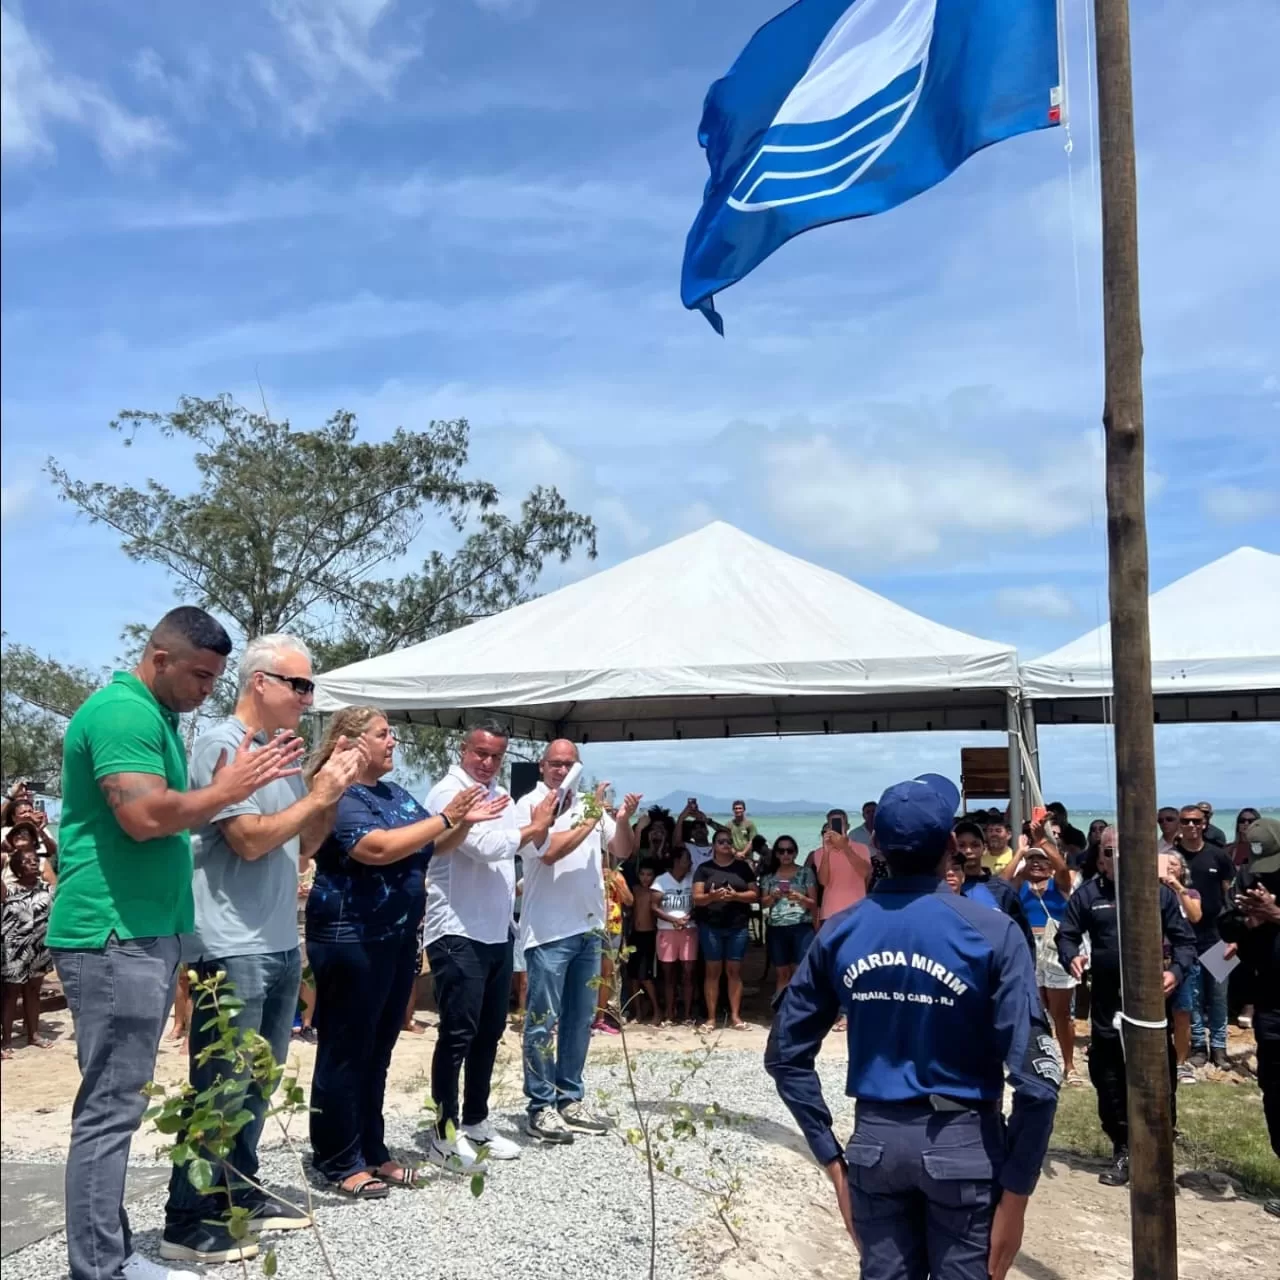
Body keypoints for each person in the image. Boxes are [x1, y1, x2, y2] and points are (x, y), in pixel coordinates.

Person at [48, 607, 304, 1280]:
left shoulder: (155, 717)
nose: (206, 691)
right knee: (110, 1110)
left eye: (216, 678)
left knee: (118, 1104)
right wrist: (225, 790)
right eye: (198, 674)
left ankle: (112, 1255)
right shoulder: (123, 714)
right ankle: (100, 1267)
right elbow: (142, 816)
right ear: (159, 658)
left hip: (144, 933)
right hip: (112, 933)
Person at [766, 773, 1060, 1280]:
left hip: (876, 1147)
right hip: (965, 1142)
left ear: (875, 844)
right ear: (952, 847)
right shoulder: (993, 933)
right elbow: (1037, 1080)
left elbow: (785, 1054)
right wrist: (1016, 1196)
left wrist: (834, 1163)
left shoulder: (839, 932)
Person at [157, 635, 370, 1263]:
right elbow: (248, 840)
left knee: (257, 1080)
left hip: (276, 938)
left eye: (311, 687)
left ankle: (237, 1192)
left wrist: (329, 791)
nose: (309, 697)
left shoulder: (278, 754)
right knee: (220, 1084)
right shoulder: (225, 744)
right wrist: (318, 795)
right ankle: (186, 1220)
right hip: (229, 941)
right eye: (299, 685)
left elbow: (298, 847)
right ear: (260, 683)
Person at [306, 708, 507, 1191]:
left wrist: (459, 823)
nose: (393, 742)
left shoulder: (393, 793)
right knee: (345, 1049)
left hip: (395, 941)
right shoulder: (344, 795)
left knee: (378, 1049)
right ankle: (337, 1157)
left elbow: (432, 845)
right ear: (352, 743)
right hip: (350, 936)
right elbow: (374, 849)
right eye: (383, 734)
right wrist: (445, 816)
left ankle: (372, 1149)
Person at [424, 722, 557, 1170]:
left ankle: (476, 1120)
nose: (487, 762)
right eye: (480, 753)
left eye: (496, 756)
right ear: (463, 749)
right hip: (457, 929)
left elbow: (514, 847)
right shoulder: (449, 792)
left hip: (497, 930)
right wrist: (534, 827)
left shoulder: (497, 794)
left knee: (490, 1032)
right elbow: (483, 847)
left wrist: (539, 826)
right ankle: (443, 1132)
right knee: (457, 1033)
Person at [512, 739, 640, 1143]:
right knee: (541, 1022)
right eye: (555, 763)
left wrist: (621, 820)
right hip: (549, 930)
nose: (562, 770)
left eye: (569, 764)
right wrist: (589, 816)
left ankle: (570, 1097)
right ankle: (540, 1105)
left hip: (589, 927)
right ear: (541, 766)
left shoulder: (586, 804)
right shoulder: (531, 805)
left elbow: (620, 850)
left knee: (580, 1021)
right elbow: (547, 851)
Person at [1057, 828, 1196, 1187]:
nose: (1116, 859)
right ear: (1100, 856)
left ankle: (1158, 1151)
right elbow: (1067, 934)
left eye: (1125, 851)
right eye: (1109, 852)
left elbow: (1185, 942)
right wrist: (1071, 956)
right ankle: (1122, 1149)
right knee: (1109, 1078)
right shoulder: (1088, 896)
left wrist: (1175, 972)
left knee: (1159, 1077)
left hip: (1150, 1005)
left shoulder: (1159, 895)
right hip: (1106, 1003)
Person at [1218, 817, 1280, 1218]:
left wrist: (1278, 913)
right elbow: (1224, 925)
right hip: (1270, 1006)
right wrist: (1248, 919)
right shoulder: (1246, 877)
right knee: (1275, 1096)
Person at [1004, 836, 1081, 1085]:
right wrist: (1020, 855)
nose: (1036, 863)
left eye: (1042, 859)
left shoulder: (1059, 885)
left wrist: (1044, 842)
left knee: (1060, 1013)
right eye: (1032, 859)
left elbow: (1062, 869)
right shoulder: (1020, 884)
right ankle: (1042, 1060)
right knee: (1035, 1011)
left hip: (1055, 950)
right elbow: (1001, 885)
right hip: (1029, 950)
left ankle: (1069, 1065)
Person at [1177, 804, 1237, 1068]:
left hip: (1218, 936)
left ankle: (1220, 1048)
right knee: (1193, 996)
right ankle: (1199, 1045)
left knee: (1219, 996)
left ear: (1205, 824)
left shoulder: (1218, 856)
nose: (1191, 826)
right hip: (1185, 939)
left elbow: (1230, 897)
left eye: (1196, 821)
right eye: (1185, 821)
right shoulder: (1173, 857)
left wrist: (1235, 936)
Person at [691, 828, 758, 1030]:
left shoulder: (743, 868)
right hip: (711, 925)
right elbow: (697, 898)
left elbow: (754, 894)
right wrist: (713, 897)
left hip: (737, 925)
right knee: (712, 972)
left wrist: (735, 896)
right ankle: (711, 1018)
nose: (726, 844)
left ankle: (736, 1017)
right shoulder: (704, 869)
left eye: (729, 841)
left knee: (734, 971)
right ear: (714, 846)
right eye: (721, 841)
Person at [1, 840, 54, 1053]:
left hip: (40, 947)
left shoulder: (46, 889)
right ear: (16, 867)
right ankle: (6, 1040)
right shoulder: (9, 891)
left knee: (34, 991)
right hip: (14, 948)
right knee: (10, 993)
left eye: (34, 860)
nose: (32, 863)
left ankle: (33, 1034)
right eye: (26, 861)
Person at [953, 822, 1035, 954]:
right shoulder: (945, 889)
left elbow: (1022, 936)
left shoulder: (1001, 889)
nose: (968, 851)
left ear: (984, 848)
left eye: (974, 845)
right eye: (961, 845)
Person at [1161, 855, 1203, 1085]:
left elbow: (1195, 916)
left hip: (1182, 959)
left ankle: (1180, 1063)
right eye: (1164, 864)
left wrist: (1177, 887)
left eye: (1173, 865)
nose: (1168, 868)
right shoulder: (1153, 892)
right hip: (1156, 957)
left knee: (1182, 1012)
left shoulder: (1191, 893)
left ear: (1182, 869)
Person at [759, 836, 817, 996]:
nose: (786, 854)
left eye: (789, 850)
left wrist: (800, 897)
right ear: (776, 854)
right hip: (776, 928)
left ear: (796, 853)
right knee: (782, 973)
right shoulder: (769, 876)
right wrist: (773, 896)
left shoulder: (806, 873)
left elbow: (813, 903)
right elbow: (763, 904)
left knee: (800, 973)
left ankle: (799, 1012)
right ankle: (782, 1012)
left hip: (802, 927)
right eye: (781, 851)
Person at [1226, 807, 1262, 1030]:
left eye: (1251, 821)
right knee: (1229, 959)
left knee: (1255, 961)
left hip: (1257, 908)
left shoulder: (1263, 853)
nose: (1246, 824)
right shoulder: (1229, 850)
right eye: (1242, 820)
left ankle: (1250, 1005)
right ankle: (1232, 1003)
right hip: (1234, 907)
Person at [652, 847, 697, 1025]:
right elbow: (654, 907)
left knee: (688, 972)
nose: (690, 863)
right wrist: (672, 920)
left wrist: (688, 917)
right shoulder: (661, 881)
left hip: (689, 929)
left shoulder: (692, 879)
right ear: (677, 861)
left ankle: (687, 1014)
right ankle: (669, 1013)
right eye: (687, 859)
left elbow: (698, 902)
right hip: (666, 931)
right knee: (669, 974)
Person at [812, 809, 872, 921]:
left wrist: (845, 847)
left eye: (840, 824)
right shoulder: (819, 852)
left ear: (848, 826)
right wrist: (826, 852)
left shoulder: (862, 848)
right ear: (827, 827)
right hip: (830, 911)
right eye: (832, 824)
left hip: (856, 910)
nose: (836, 828)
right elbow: (823, 881)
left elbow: (865, 873)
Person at [627, 860, 661, 1023]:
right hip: (634, 935)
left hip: (649, 936)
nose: (645, 878)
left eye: (649, 875)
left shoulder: (655, 892)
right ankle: (638, 1012)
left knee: (646, 977)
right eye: (642, 874)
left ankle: (657, 1011)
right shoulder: (634, 890)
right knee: (633, 977)